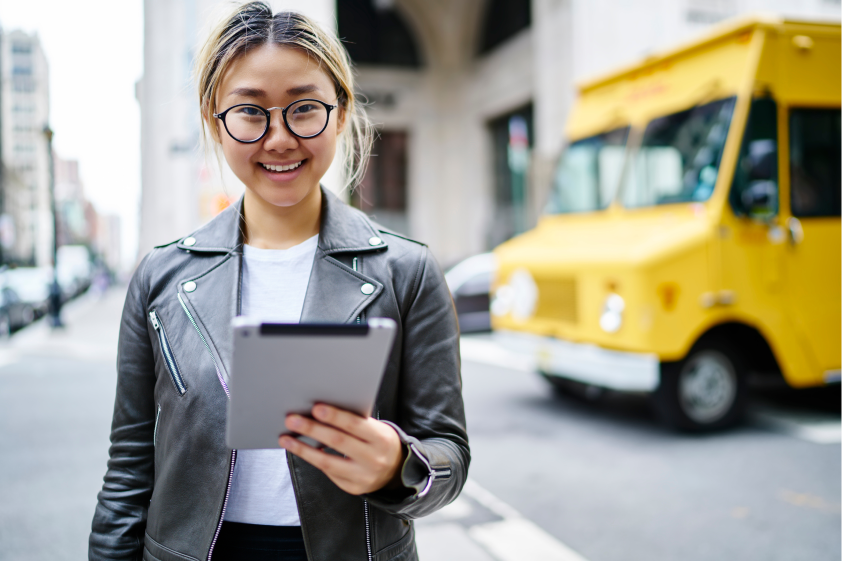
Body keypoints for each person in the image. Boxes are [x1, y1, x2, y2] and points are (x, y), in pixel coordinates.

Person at [88, 3, 469, 560]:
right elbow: (128, 471)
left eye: (304, 108)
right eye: (250, 112)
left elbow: (449, 455)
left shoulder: (406, 270)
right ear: (213, 120)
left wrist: (399, 465)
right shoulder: (161, 277)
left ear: (339, 112)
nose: (280, 138)